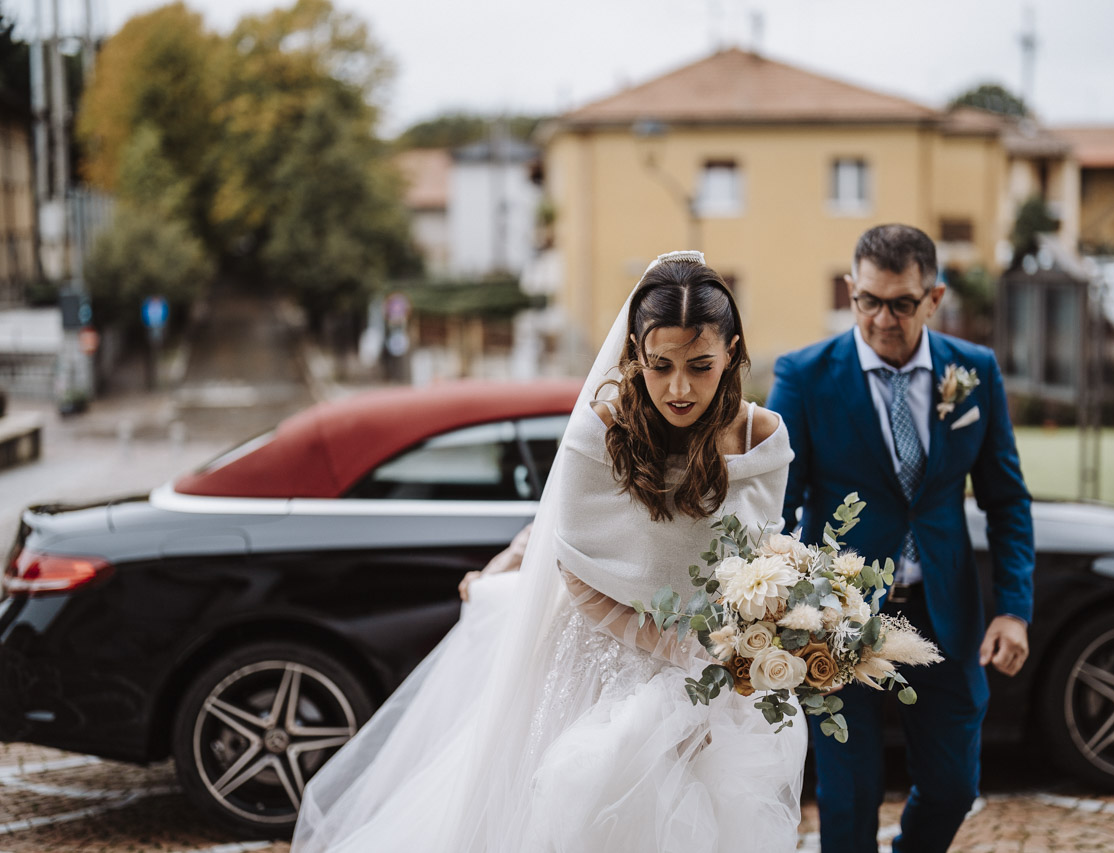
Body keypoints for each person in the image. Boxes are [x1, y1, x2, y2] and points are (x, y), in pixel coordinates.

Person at [292, 251, 806, 852]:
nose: (679, 388)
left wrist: (750, 646)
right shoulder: (602, 430)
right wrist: (679, 656)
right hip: (605, 664)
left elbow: (762, 562)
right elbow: (577, 568)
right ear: (635, 354)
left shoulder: (763, 436)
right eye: (660, 365)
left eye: (700, 366)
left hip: (720, 672)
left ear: (733, 352)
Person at [767, 224, 1034, 853]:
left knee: (952, 788)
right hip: (838, 619)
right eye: (869, 301)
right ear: (852, 291)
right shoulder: (804, 376)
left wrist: (1014, 609)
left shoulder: (974, 371)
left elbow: (1006, 500)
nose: (883, 319)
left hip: (945, 616)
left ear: (934, 298)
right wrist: (783, 609)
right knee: (848, 800)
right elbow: (777, 507)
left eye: (902, 304)